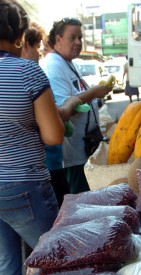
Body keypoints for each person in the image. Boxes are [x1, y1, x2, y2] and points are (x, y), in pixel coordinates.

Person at [0, 0, 65, 275]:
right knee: (53, 264)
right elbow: (54, 135)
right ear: (18, 32)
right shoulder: (27, 73)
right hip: (24, 186)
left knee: (7, 265)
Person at [41, 18, 112, 194]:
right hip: (71, 156)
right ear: (58, 39)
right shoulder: (53, 65)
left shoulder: (68, 62)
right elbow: (62, 110)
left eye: (80, 37)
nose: (78, 42)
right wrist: (94, 92)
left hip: (83, 151)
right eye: (72, 38)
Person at [21, 22, 82, 206]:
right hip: (41, 167)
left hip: (12, 175)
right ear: (23, 45)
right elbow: (55, 134)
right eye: (38, 47)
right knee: (59, 221)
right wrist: (71, 103)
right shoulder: (31, 73)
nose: (40, 53)